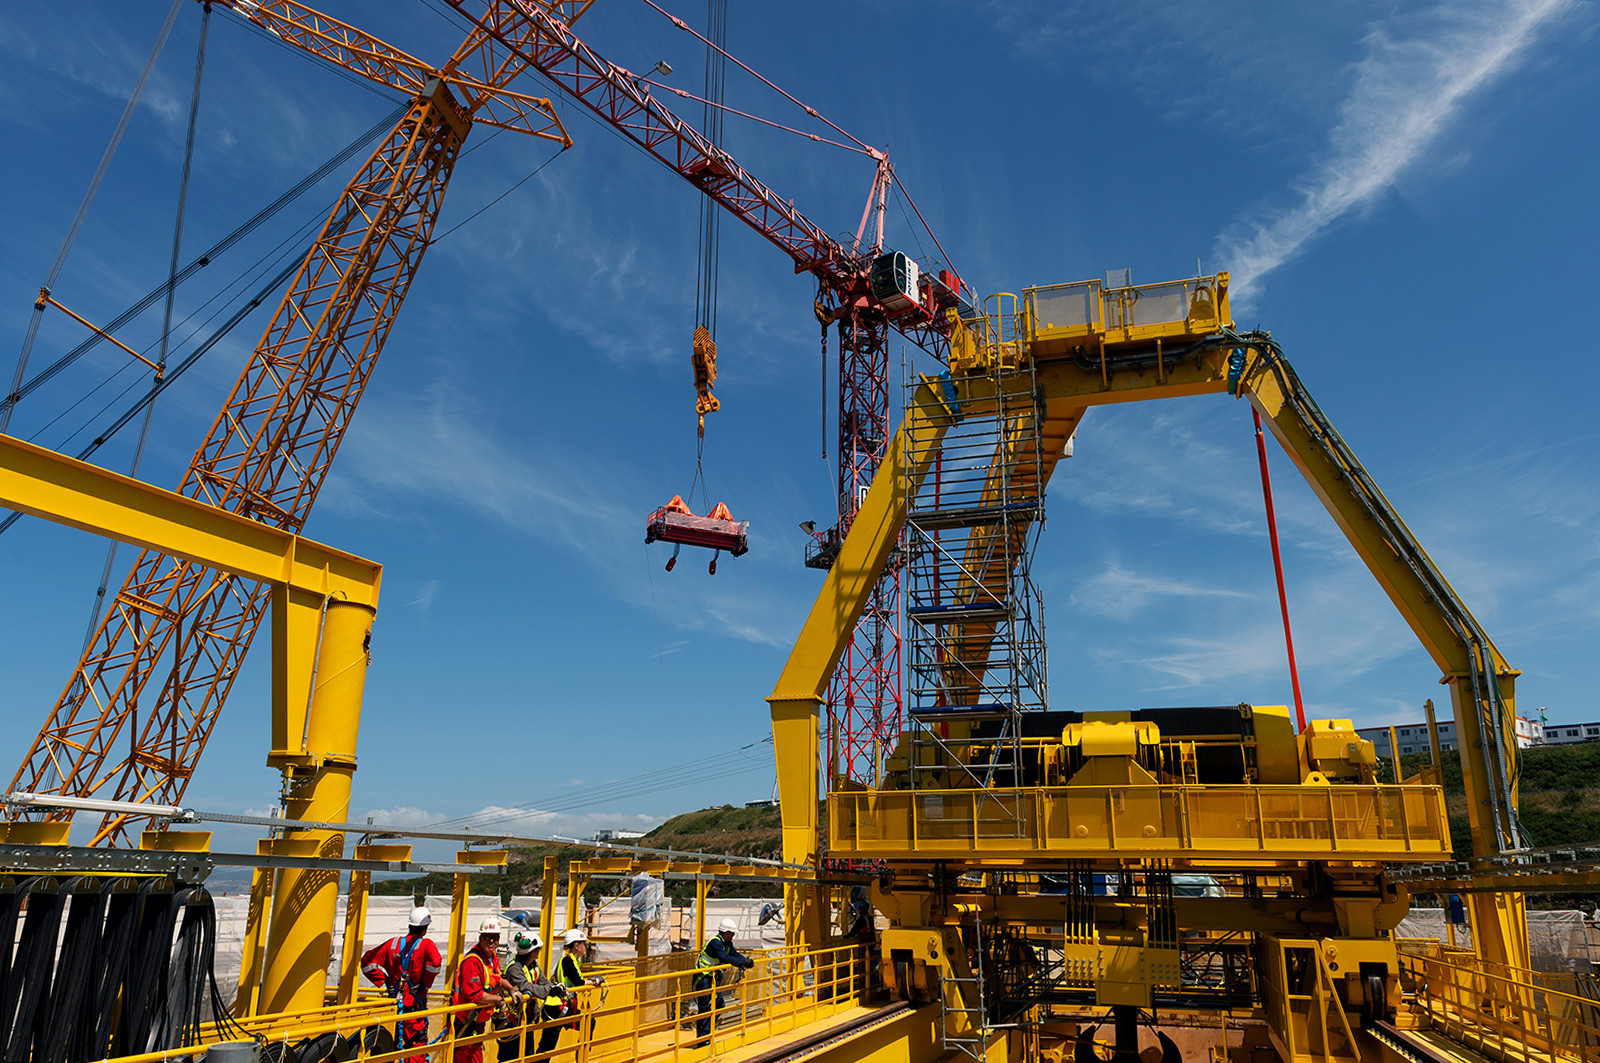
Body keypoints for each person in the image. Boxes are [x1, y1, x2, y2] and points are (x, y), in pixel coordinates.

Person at [360, 905, 444, 1063]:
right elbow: (435, 963)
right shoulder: (426, 945)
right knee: (415, 1044)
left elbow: (366, 961)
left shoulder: (393, 943)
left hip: (393, 1007)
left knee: (392, 1044)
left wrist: (384, 980)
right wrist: (425, 984)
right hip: (414, 1007)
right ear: (425, 928)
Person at [498, 931, 568, 1061]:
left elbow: (544, 982)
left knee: (527, 1056)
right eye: (537, 950)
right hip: (511, 1022)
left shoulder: (533, 966)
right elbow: (526, 987)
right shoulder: (514, 969)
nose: (538, 952)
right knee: (509, 1058)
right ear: (531, 951)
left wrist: (552, 987)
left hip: (526, 1020)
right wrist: (549, 991)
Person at [450, 916, 508, 1063]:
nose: (492, 941)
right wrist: (498, 1000)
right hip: (466, 1025)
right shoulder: (473, 962)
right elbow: (473, 995)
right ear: (481, 937)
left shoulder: (491, 957)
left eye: (495, 938)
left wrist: (513, 989)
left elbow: (497, 979)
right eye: (488, 937)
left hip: (477, 1022)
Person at [692, 917, 754, 1044]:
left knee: (719, 1005)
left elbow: (734, 954)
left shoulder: (727, 943)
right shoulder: (716, 943)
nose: (733, 937)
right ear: (726, 933)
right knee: (705, 1009)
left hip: (713, 977)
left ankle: (708, 1032)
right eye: (732, 934)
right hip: (703, 978)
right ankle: (703, 1040)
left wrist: (744, 960)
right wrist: (742, 962)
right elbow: (725, 958)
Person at [553, 928, 604, 1045]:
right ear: (576, 945)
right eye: (584, 944)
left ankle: (582, 1056)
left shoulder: (575, 961)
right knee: (588, 1023)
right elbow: (578, 982)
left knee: (549, 1043)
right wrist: (595, 981)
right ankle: (582, 1057)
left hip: (562, 1005)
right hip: (558, 1006)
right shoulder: (567, 961)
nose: (586, 946)